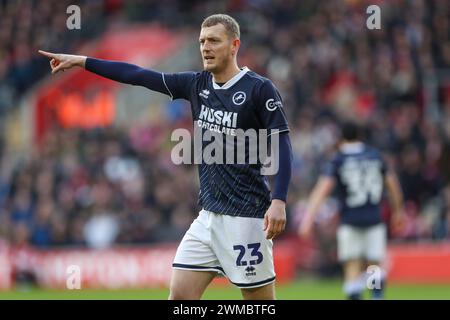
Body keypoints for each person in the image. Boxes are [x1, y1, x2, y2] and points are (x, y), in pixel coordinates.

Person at [39, 13, 292, 300]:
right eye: (201, 41)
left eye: (213, 41)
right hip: (208, 218)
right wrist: (84, 61)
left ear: (234, 45)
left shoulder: (259, 89)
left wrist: (279, 200)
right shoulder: (197, 84)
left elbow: (281, 143)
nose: (205, 47)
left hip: (246, 218)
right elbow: (137, 75)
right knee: (179, 297)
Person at [298, 121, 404, 300]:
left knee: (352, 265)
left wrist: (308, 218)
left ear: (341, 139)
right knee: (374, 265)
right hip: (374, 218)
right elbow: (393, 184)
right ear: (360, 136)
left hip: (350, 220)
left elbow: (322, 189)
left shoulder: (339, 159)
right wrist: (398, 211)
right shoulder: (375, 156)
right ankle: (376, 297)